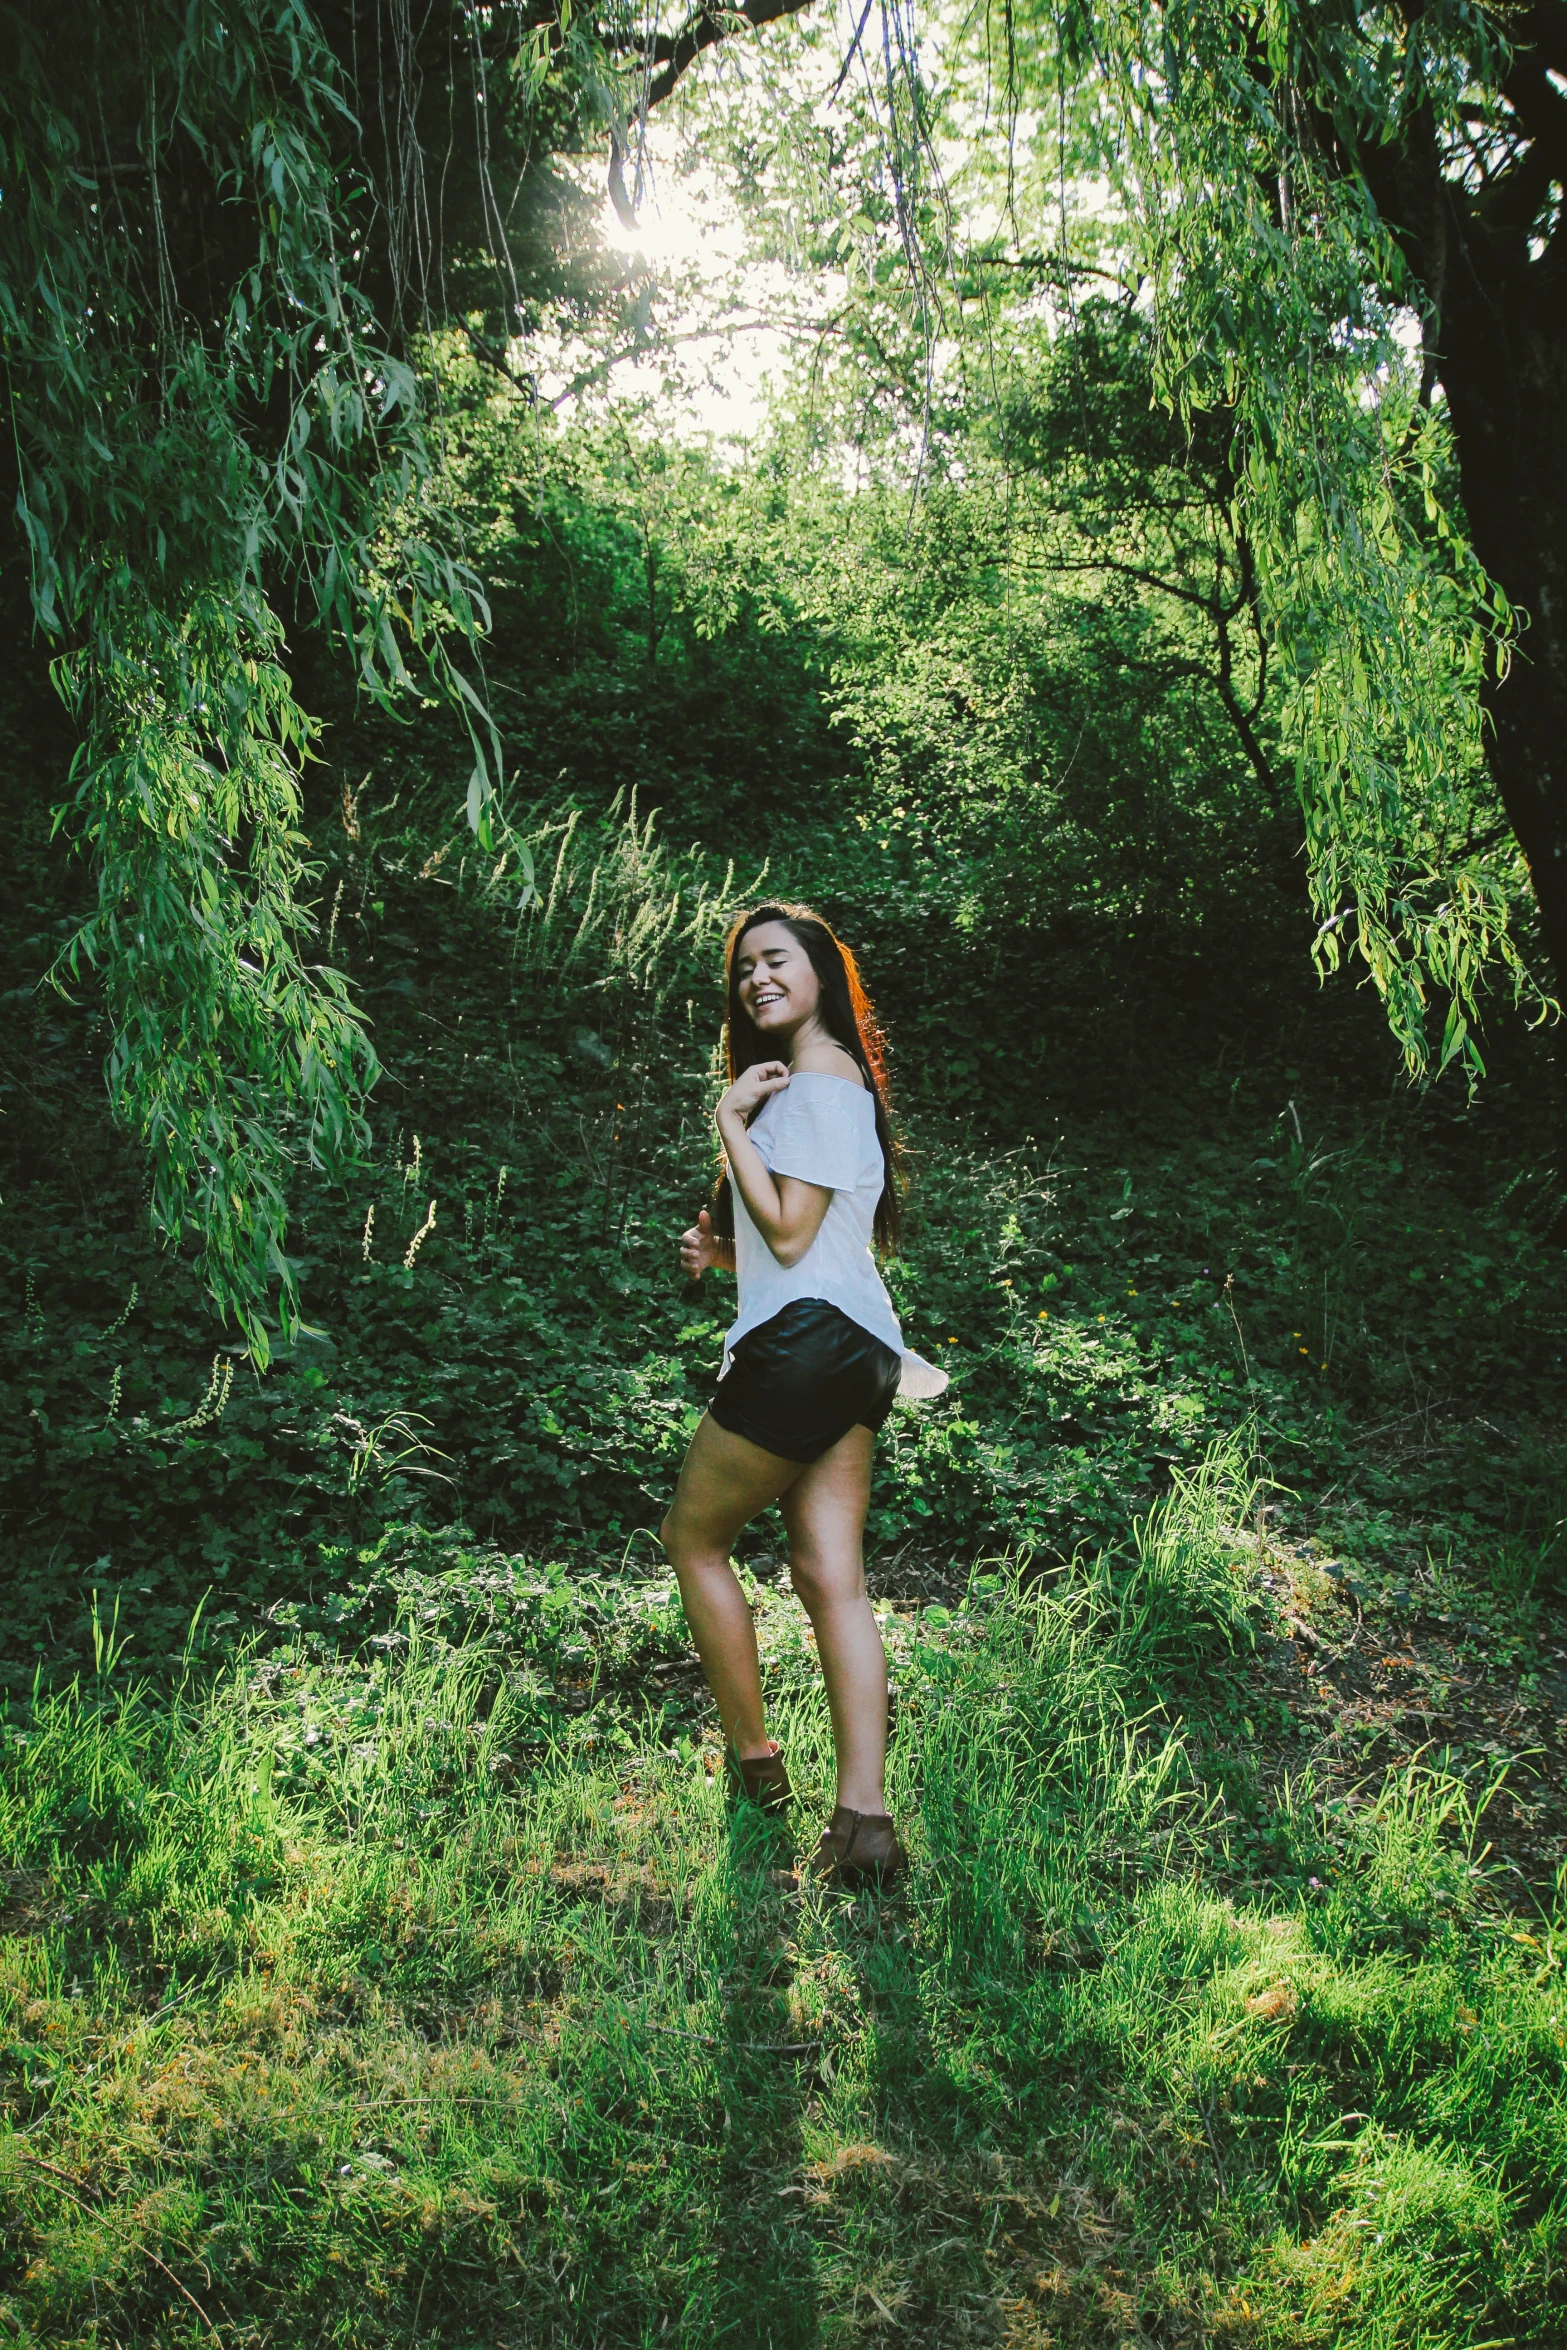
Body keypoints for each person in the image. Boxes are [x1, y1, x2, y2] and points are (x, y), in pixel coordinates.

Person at [659, 901, 945, 1887]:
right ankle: (864, 1825)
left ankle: (755, 1768)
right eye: (742, 969)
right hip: (858, 1348)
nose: (755, 978)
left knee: (692, 1540)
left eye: (774, 959)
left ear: (821, 967)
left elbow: (788, 1234)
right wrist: (720, 1245)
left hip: (806, 1344)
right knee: (832, 1580)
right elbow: (798, 1238)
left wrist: (726, 1118)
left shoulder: (813, 1084)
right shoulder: (819, 1088)